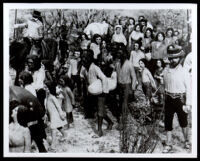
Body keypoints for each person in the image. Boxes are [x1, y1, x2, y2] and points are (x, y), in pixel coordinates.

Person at [162, 46, 192, 153]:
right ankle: (168, 144)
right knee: (168, 121)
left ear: (179, 58)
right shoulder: (166, 70)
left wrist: (188, 103)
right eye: (170, 57)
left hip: (180, 99)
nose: (172, 60)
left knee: (183, 122)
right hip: (169, 98)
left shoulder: (184, 71)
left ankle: (187, 141)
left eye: (174, 58)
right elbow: (164, 85)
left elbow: (189, 88)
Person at [81, 49, 113, 137]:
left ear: (90, 58)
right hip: (93, 92)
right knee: (100, 109)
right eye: (82, 57)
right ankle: (110, 122)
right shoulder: (84, 69)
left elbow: (104, 78)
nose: (83, 59)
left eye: (86, 57)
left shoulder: (95, 67)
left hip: (101, 91)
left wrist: (105, 91)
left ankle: (99, 131)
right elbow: (85, 80)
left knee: (100, 110)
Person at [44, 81, 67, 152]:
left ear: (50, 88)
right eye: (45, 87)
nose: (45, 89)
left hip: (55, 115)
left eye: (46, 88)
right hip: (51, 115)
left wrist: (61, 114)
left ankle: (53, 146)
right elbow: (47, 106)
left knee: (53, 129)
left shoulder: (52, 97)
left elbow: (58, 106)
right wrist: (46, 113)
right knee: (59, 126)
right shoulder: (48, 96)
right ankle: (65, 135)